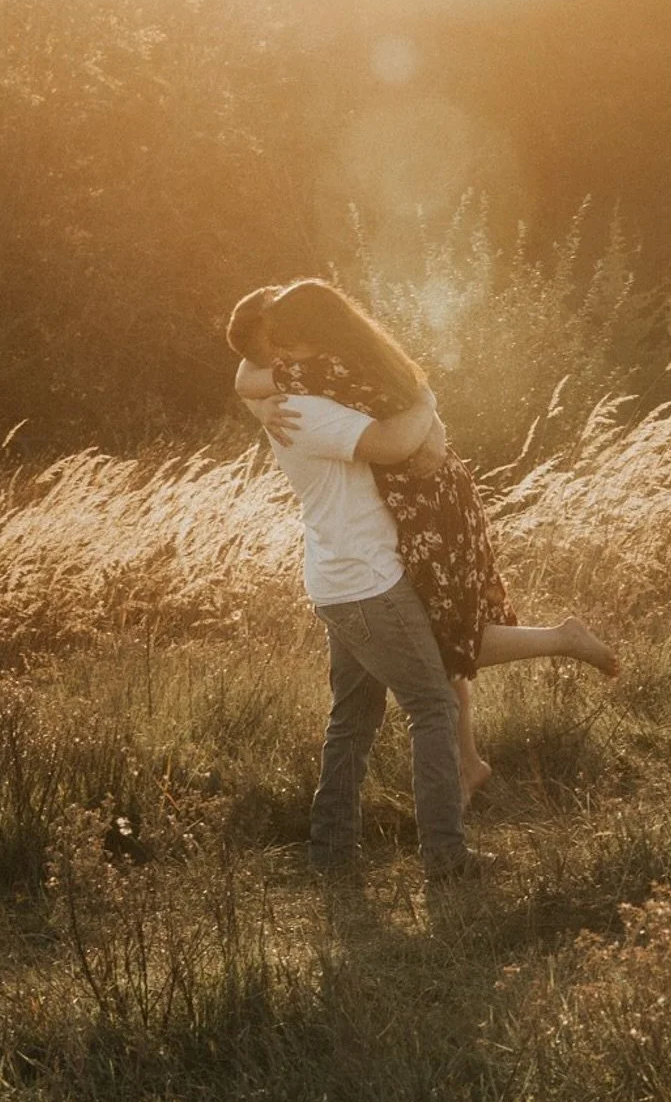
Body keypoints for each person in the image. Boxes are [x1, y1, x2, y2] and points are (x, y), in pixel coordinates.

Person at [234, 278, 617, 805]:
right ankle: (468, 762)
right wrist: (263, 406)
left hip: (426, 504)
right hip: (434, 494)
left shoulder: (321, 370)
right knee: (442, 631)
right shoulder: (362, 353)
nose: (277, 357)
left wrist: (424, 410)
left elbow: (253, 379)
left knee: (445, 638)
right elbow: (247, 376)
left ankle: (555, 647)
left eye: (285, 343)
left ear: (311, 335)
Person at [226, 286, 484, 883]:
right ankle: (446, 859)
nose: (286, 348)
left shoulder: (308, 390)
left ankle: (331, 854)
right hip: (369, 582)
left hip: (339, 577)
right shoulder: (306, 408)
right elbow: (393, 444)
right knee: (434, 707)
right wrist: (427, 398)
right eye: (279, 340)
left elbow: (251, 369)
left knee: (354, 720)